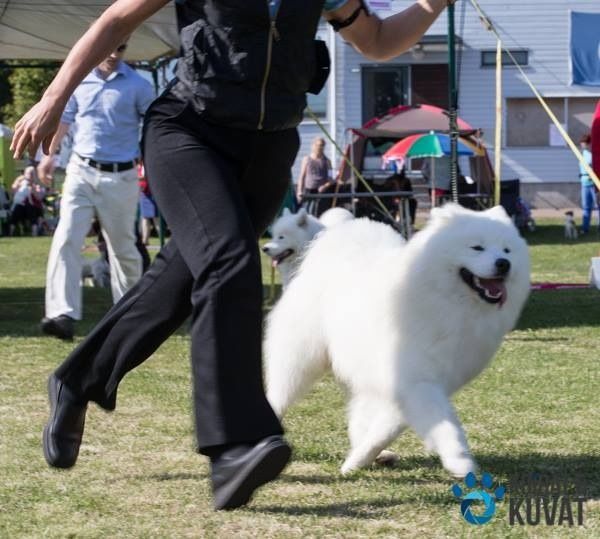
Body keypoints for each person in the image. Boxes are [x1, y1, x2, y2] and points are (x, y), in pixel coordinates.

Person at [11, 0, 456, 511]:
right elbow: (115, 20)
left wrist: (428, 6)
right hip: (189, 131)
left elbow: (376, 40)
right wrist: (53, 97)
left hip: (268, 153)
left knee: (175, 285)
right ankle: (233, 447)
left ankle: (75, 381)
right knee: (230, 264)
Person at [38, 38, 155, 340]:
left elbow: (154, 126)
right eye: (111, 47)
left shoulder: (139, 87)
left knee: (123, 249)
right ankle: (61, 314)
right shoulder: (79, 81)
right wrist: (49, 157)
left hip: (122, 176)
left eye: (122, 48)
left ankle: (128, 315)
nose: (115, 53)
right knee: (65, 237)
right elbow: (63, 120)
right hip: (81, 171)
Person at [296, 137, 335, 216]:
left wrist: (325, 186)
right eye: (318, 145)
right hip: (308, 191)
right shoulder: (306, 159)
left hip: (322, 192)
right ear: (313, 146)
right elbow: (302, 177)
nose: (320, 147)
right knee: (307, 212)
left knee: (320, 213)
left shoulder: (328, 161)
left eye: (322, 145)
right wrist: (299, 191)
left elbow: (331, 179)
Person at [578, 134, 598, 234]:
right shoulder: (582, 154)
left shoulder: (593, 154)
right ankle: (585, 228)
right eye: (581, 144)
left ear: (589, 144)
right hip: (584, 183)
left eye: (584, 144)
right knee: (586, 207)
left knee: (598, 207)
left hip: (593, 184)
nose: (583, 145)